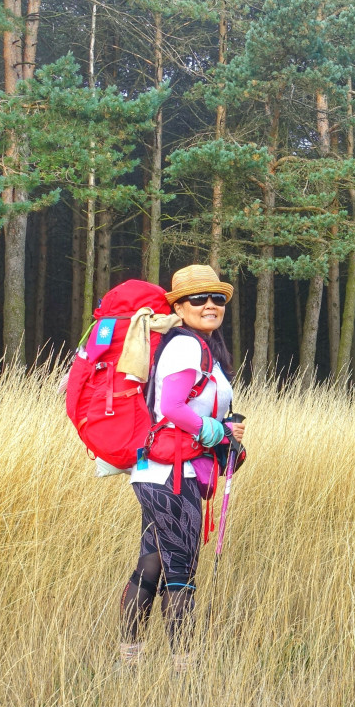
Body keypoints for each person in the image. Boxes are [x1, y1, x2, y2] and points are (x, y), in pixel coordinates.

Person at [118, 264, 246, 670]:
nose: (210, 305)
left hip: (159, 473)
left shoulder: (199, 347)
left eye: (217, 298)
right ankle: (184, 674)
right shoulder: (186, 346)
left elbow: (185, 407)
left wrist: (222, 426)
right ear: (180, 306)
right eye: (198, 299)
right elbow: (171, 407)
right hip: (176, 476)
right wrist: (217, 433)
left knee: (152, 565)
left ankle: (128, 663)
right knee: (181, 574)